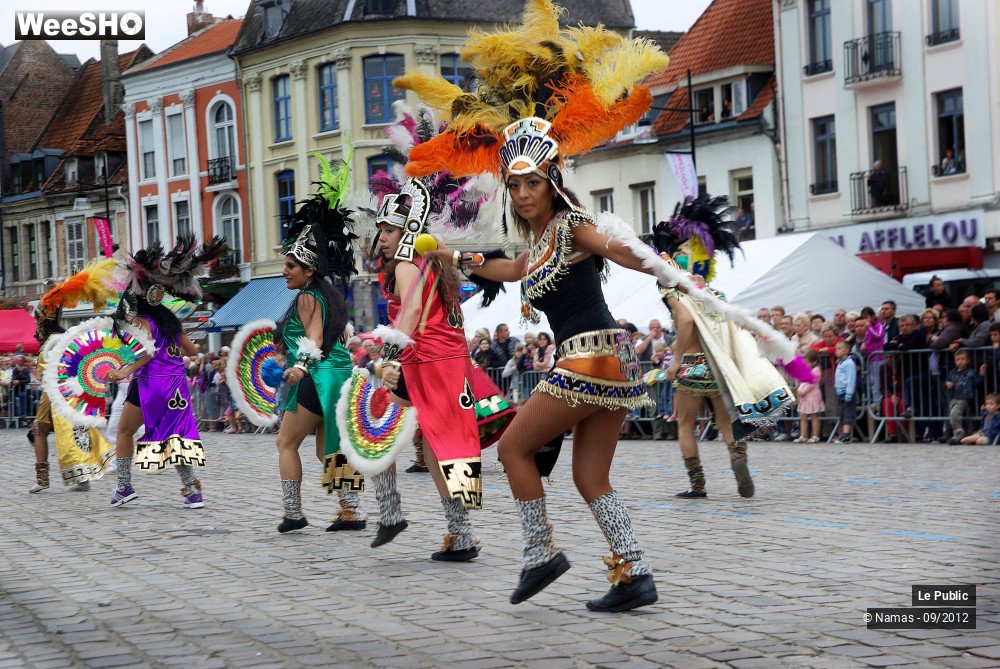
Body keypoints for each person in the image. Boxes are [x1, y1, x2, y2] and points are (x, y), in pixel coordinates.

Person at [395, 3, 670, 610]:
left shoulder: (571, 227)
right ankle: (635, 575)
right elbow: (515, 270)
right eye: (514, 184)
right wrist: (457, 260)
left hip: (586, 359)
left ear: (552, 179)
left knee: (516, 449)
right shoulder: (542, 243)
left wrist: (661, 267)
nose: (521, 194)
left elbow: (613, 245)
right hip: (608, 362)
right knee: (589, 477)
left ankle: (539, 554)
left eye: (531, 183)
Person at [651, 197, 794, 495]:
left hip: (690, 366)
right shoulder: (716, 295)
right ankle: (738, 462)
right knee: (727, 425)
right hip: (716, 368)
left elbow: (686, 321)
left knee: (686, 425)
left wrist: (675, 360)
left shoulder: (673, 291)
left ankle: (698, 484)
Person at [269, 154, 364, 534]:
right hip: (339, 374)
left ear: (309, 270)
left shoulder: (308, 296)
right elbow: (342, 336)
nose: (285, 271)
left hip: (317, 376)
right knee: (333, 445)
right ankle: (350, 510)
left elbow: (316, 338)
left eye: (291, 266)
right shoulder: (329, 296)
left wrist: (299, 367)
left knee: (285, 443)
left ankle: (293, 513)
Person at [104, 235, 226, 508]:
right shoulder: (171, 322)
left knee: (124, 431)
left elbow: (147, 354)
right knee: (176, 435)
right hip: (176, 386)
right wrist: (180, 343)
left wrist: (124, 371)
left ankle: (124, 486)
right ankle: (192, 490)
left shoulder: (143, 322)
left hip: (151, 384)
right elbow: (192, 352)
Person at [30, 260, 119, 493]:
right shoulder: (63, 337)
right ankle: (78, 477)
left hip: (54, 394)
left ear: (42, 322)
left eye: (37, 320)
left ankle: (45, 479)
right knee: (72, 428)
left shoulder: (50, 343)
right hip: (67, 393)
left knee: (42, 429)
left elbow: (44, 373)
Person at [945, 349, 981, 442]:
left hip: (964, 398)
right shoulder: (952, 372)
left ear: (968, 360)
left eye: (963, 359)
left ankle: (959, 433)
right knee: (952, 416)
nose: (960, 362)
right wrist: (948, 384)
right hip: (953, 397)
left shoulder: (971, 372)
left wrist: (981, 374)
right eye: (958, 359)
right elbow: (947, 381)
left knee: (954, 414)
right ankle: (955, 434)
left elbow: (976, 383)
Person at [794, 349, 824, 443]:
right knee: (803, 416)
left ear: (813, 362)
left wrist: (802, 391)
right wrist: (800, 389)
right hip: (805, 396)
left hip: (812, 396)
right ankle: (803, 435)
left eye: (807, 362)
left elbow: (811, 383)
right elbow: (803, 381)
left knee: (814, 415)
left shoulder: (816, 371)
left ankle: (815, 435)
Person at [833, 340, 857, 443]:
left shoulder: (849, 363)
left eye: (839, 348)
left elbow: (851, 379)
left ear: (847, 350)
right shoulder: (841, 363)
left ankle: (846, 435)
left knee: (847, 413)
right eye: (836, 349)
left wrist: (849, 393)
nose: (836, 351)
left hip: (847, 393)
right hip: (840, 392)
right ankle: (842, 434)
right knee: (842, 414)